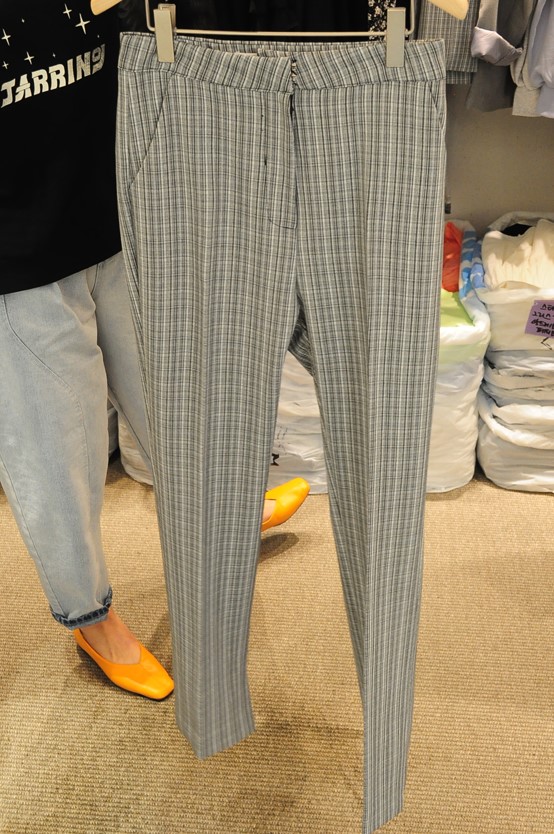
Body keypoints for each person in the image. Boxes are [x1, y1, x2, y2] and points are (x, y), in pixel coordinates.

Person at [0, 0, 309, 701]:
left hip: (117, 208)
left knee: (175, 390)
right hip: (18, 260)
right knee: (58, 455)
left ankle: (222, 516)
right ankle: (91, 618)